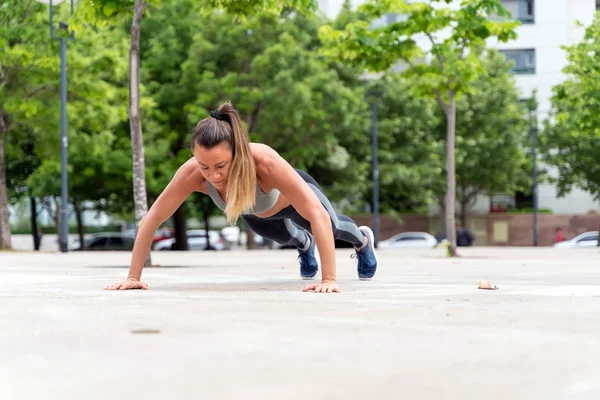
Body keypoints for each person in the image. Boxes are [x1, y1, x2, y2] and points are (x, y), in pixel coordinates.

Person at [105, 102, 378, 293]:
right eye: (204, 166)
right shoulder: (191, 173)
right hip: (259, 213)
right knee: (285, 237)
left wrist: (329, 279)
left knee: (330, 228)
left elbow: (315, 213)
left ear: (237, 153)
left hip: (295, 200)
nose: (212, 176)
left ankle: (363, 241)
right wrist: (133, 277)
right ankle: (305, 246)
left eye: (221, 166)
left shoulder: (265, 162)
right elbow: (152, 219)